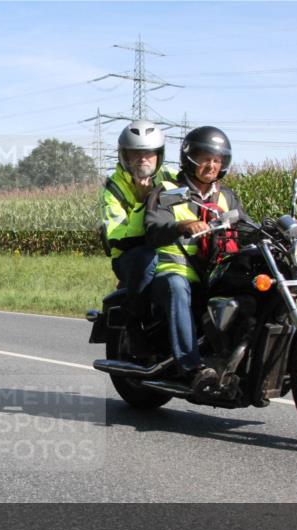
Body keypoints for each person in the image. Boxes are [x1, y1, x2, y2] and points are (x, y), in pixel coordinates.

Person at [143, 126, 249, 389]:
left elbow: (246, 226)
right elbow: (154, 227)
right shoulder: (168, 191)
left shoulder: (226, 197)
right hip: (175, 272)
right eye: (206, 159)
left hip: (216, 274)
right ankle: (192, 367)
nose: (212, 165)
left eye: (217, 160)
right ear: (191, 158)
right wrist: (181, 226)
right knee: (177, 287)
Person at [100, 119, 179, 350]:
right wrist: (146, 203)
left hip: (172, 248)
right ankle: (134, 326)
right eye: (135, 153)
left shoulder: (172, 178)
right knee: (146, 258)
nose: (142, 158)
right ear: (124, 156)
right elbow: (117, 235)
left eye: (148, 153)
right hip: (129, 255)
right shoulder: (113, 187)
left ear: (159, 155)